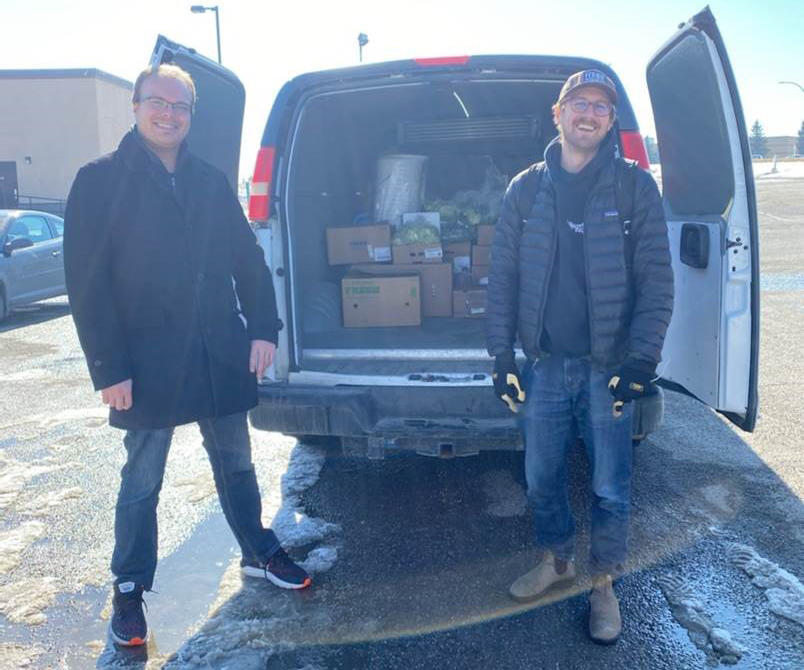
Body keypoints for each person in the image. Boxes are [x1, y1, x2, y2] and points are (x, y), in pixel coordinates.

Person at [64, 64, 311, 648]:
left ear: (191, 115)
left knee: (237, 464)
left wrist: (263, 328)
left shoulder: (208, 179)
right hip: (145, 364)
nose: (169, 114)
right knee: (142, 480)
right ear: (135, 105)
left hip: (217, 350)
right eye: (158, 102)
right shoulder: (99, 181)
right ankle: (129, 587)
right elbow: (86, 284)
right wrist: (109, 367)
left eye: (180, 106)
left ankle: (257, 548)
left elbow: (247, 260)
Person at [486, 69, 674, 644]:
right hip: (545, 365)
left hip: (607, 366)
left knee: (610, 485)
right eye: (578, 103)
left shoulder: (633, 188)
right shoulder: (525, 189)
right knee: (540, 477)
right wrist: (502, 356)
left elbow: (656, 281)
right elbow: (503, 278)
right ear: (558, 113)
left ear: (610, 121)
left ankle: (603, 584)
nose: (588, 114)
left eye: (600, 106)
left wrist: (640, 362)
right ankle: (559, 559)